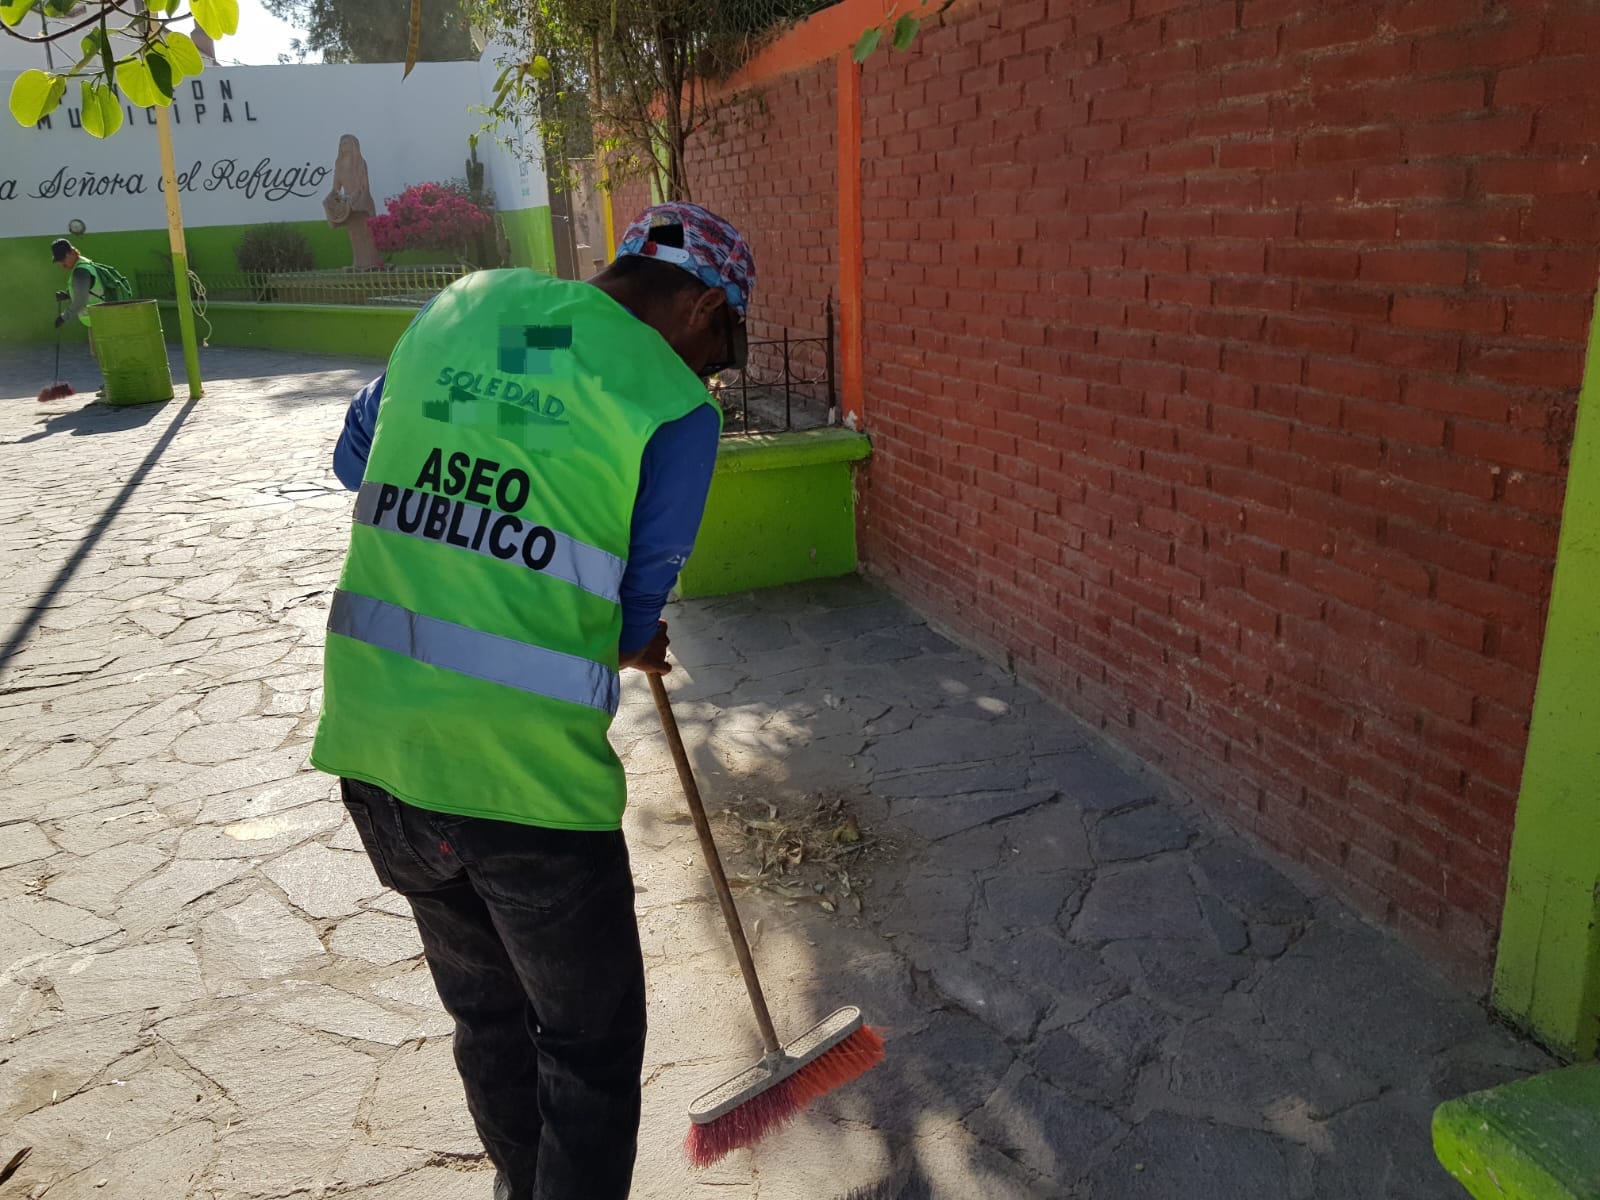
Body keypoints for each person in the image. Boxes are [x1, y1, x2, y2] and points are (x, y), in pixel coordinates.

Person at [311, 202, 753, 1200]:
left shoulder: (472, 306)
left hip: (377, 755)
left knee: (490, 1020)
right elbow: (633, 617)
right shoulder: (673, 407)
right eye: (722, 341)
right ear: (693, 306)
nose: (714, 370)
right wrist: (634, 635)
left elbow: (355, 462)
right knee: (587, 1050)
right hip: (527, 788)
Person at [51, 238, 125, 335]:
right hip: (103, 317)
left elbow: (81, 301)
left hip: (99, 320)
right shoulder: (86, 263)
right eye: (59, 261)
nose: (62, 263)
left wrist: (63, 317)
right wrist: (68, 295)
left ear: (72, 252)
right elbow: (91, 289)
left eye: (63, 259)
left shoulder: (80, 272)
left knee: (101, 350)